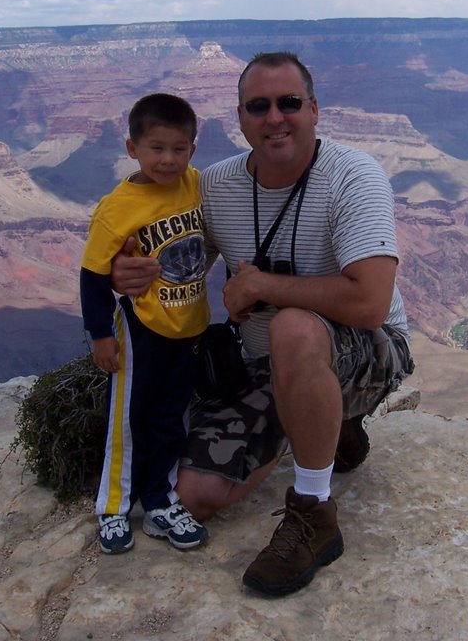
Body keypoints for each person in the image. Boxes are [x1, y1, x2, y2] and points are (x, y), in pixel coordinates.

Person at [112, 52, 414, 595]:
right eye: (259, 106)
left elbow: (370, 303)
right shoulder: (216, 186)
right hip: (261, 363)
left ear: (314, 110)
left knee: (294, 327)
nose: (275, 117)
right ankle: (324, 424)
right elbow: (179, 267)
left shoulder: (353, 176)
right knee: (194, 494)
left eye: (289, 103)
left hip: (368, 352)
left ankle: (313, 513)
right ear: (241, 118)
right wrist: (129, 270)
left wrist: (260, 286)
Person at [80, 92, 211, 555]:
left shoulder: (195, 183)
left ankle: (159, 499)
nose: (168, 159)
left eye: (179, 149)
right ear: (132, 147)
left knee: (172, 417)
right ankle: (114, 507)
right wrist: (100, 335)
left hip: (188, 327)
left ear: (193, 150)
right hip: (140, 330)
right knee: (130, 421)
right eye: (156, 148)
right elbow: (93, 275)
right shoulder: (117, 207)